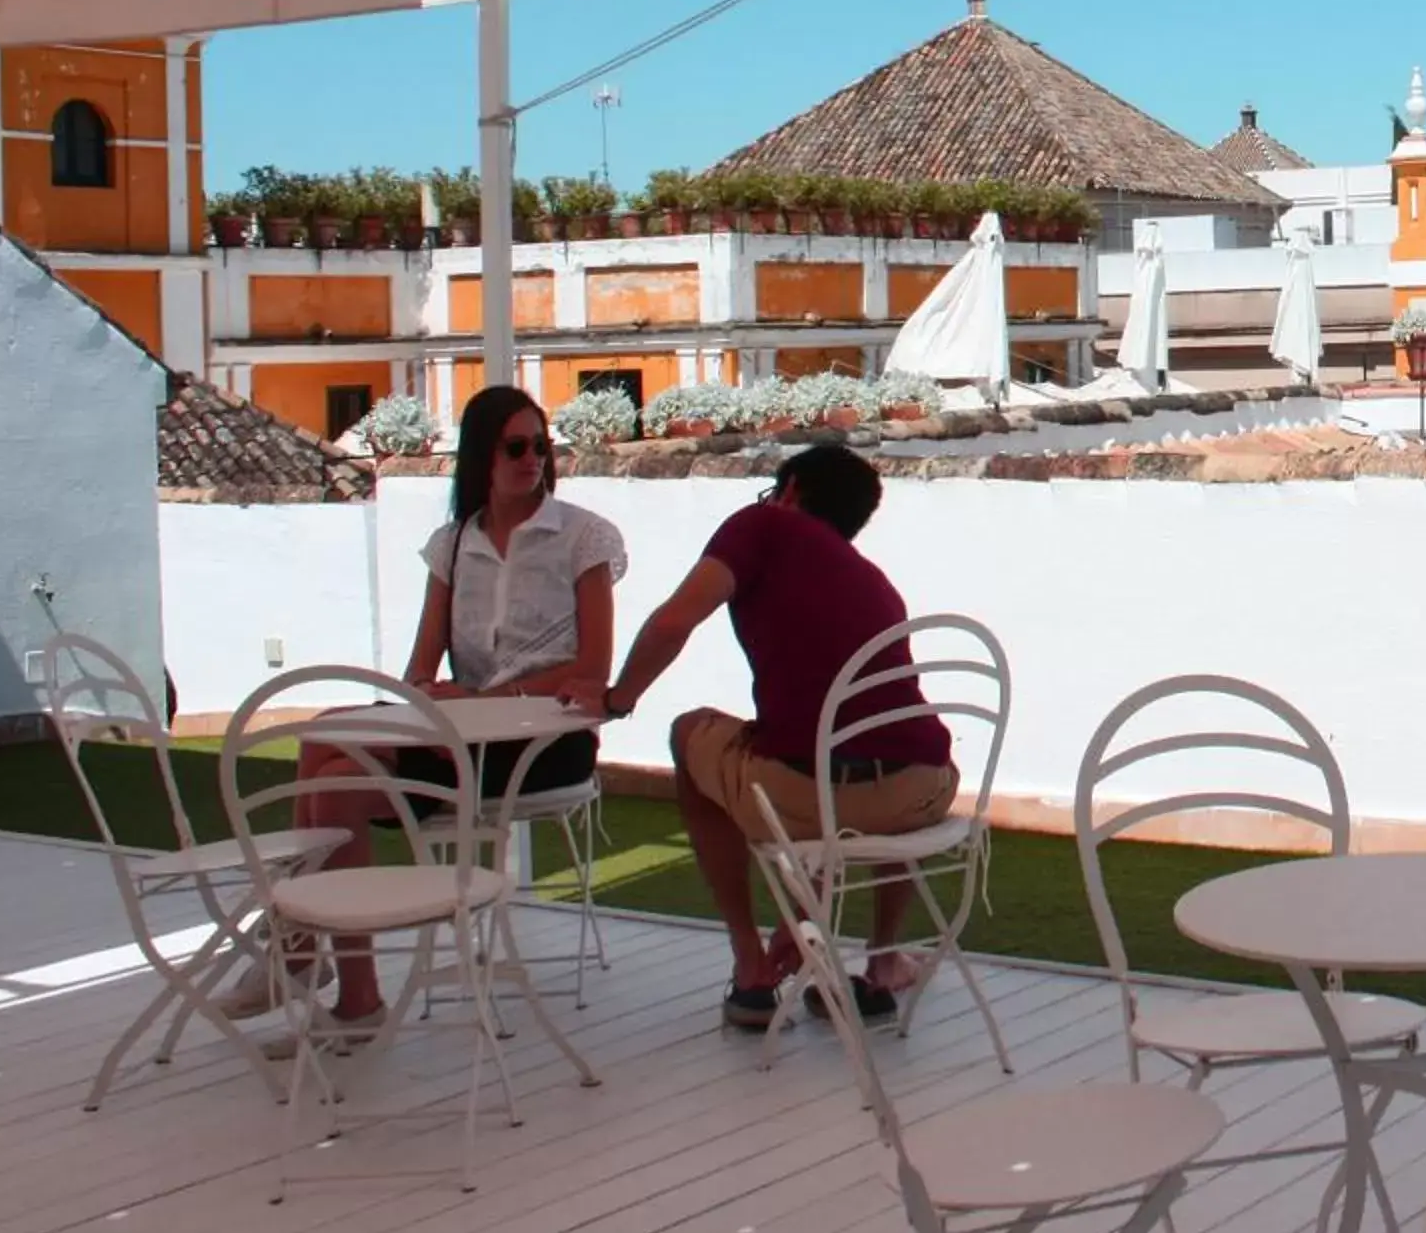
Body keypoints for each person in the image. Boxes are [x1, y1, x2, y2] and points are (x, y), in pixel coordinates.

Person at [230, 386, 623, 1030]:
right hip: (459, 737)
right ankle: (350, 990)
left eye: (540, 446)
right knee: (328, 767)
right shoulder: (454, 543)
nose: (532, 459)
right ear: (481, 457)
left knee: (332, 756)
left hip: (542, 742)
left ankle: (300, 947)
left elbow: (591, 672)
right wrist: (431, 707)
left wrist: (476, 701)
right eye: (516, 446)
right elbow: (421, 665)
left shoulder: (582, 538)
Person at [598, 444, 955, 1030]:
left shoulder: (763, 525)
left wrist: (619, 698)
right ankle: (884, 960)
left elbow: (673, 620)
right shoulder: (872, 581)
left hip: (811, 792)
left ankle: (750, 965)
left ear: (789, 492)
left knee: (692, 736)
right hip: (918, 791)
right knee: (850, 761)